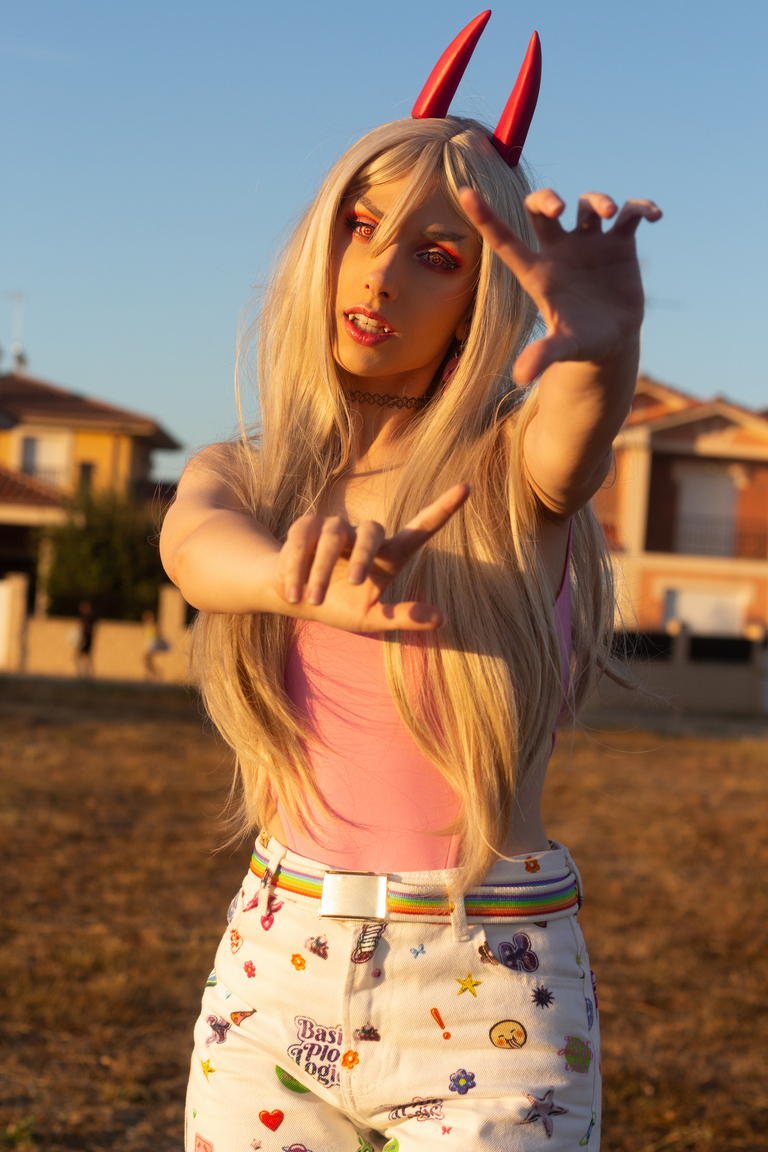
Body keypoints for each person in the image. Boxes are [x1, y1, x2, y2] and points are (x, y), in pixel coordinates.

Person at [160, 14, 660, 1150]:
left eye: (441, 255)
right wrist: (299, 581)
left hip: (489, 975)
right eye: (361, 225)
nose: (379, 271)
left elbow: (569, 443)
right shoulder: (250, 472)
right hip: (274, 971)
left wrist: (601, 349)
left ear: (484, 299)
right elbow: (195, 551)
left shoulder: (506, 475)